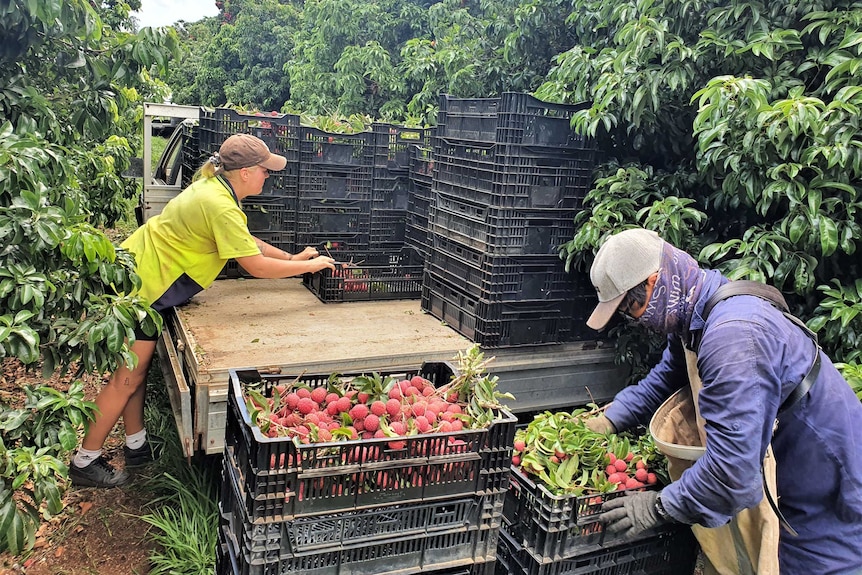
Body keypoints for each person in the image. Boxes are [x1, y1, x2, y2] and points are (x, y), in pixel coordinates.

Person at [583, 228, 862, 575]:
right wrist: (609, 421)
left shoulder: (732, 338)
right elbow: (666, 379)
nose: (634, 320)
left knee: (814, 562)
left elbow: (732, 469)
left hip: (826, 474)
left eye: (631, 307)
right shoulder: (695, 313)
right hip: (796, 461)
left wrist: (658, 507)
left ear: (654, 282)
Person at [69, 133, 335, 488]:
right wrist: (308, 268)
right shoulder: (220, 203)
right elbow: (252, 264)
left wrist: (291, 258)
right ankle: (84, 460)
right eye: (264, 170)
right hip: (142, 289)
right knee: (126, 378)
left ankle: (136, 444)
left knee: (137, 371)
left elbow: (243, 239)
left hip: (140, 276)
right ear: (244, 173)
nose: (268, 176)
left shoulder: (215, 189)